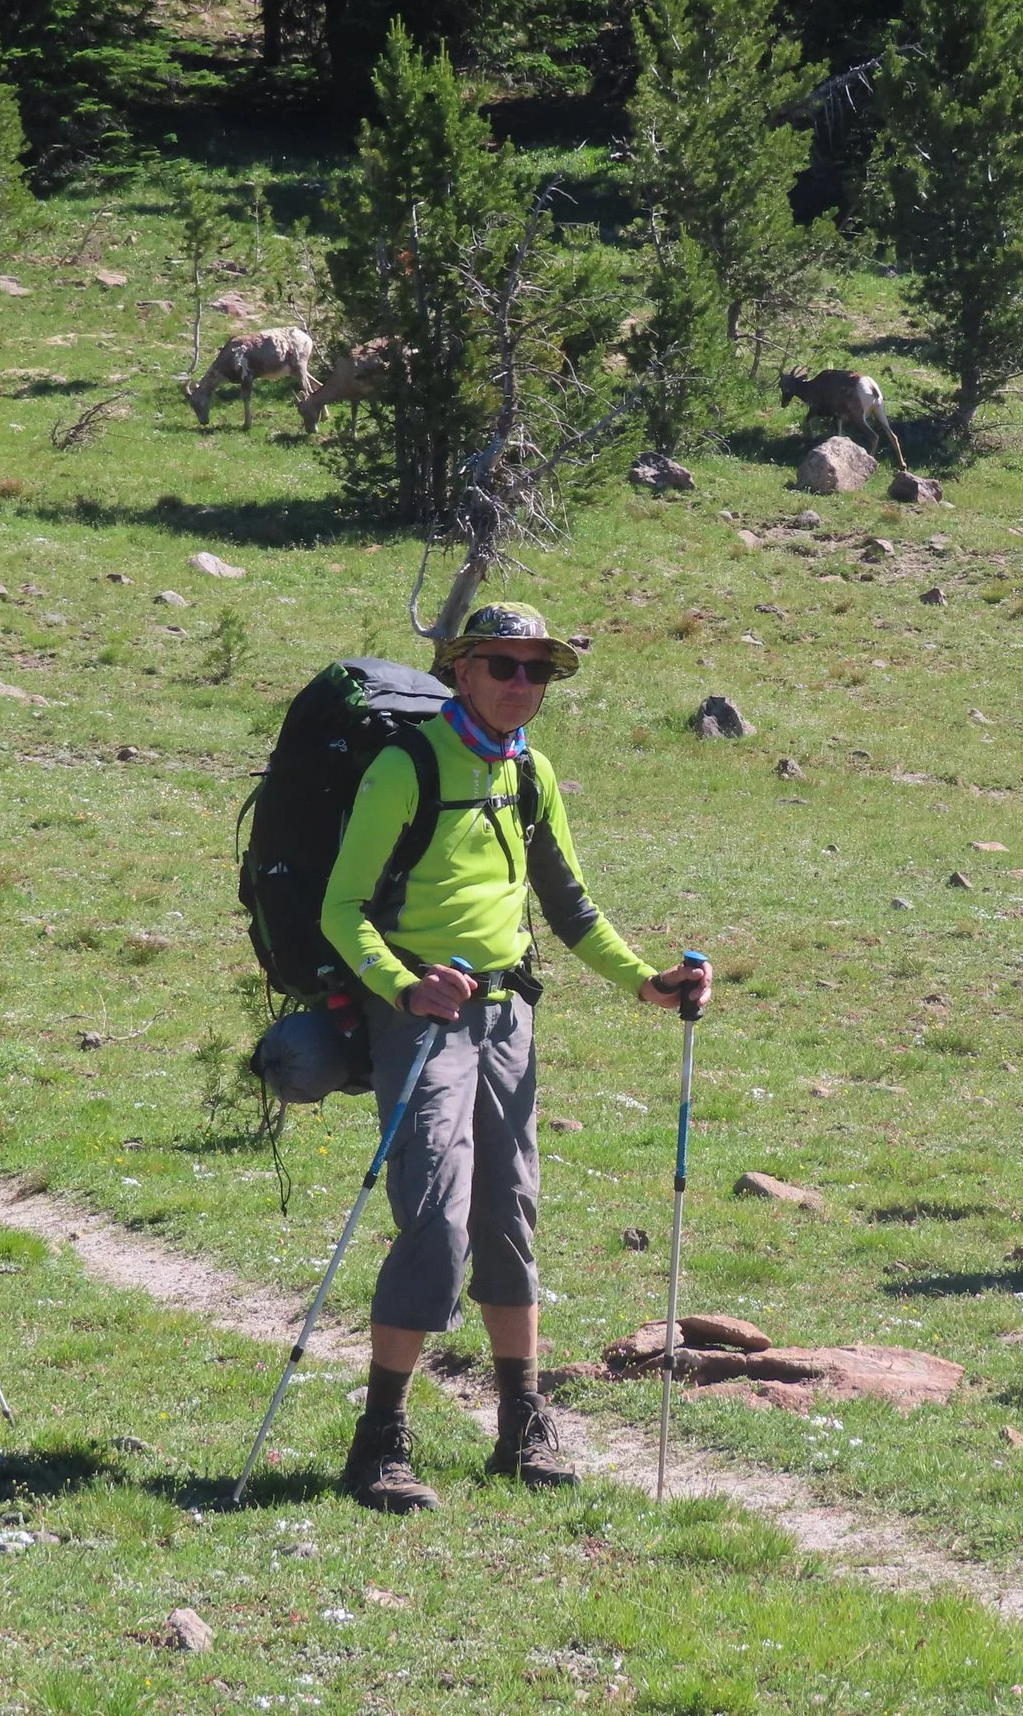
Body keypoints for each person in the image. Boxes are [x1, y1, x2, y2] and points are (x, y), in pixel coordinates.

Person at [319, 602, 711, 1513]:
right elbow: (343, 909)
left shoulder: (530, 772)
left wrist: (644, 983)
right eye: (503, 666)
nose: (521, 685)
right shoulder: (405, 766)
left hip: (508, 1019)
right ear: (462, 670)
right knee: (435, 1218)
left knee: (510, 1215)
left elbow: (569, 906)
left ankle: (521, 1424)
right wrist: (405, 986)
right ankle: (379, 1440)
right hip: (420, 1020)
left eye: (538, 671)